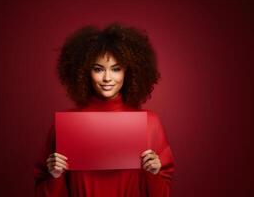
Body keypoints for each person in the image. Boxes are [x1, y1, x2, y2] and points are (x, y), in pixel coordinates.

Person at [34, 23, 175, 197]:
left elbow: (163, 194)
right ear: (84, 72)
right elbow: (42, 192)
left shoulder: (150, 122)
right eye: (98, 69)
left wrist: (153, 174)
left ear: (128, 72)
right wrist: (54, 176)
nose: (107, 78)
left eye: (116, 69)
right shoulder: (65, 125)